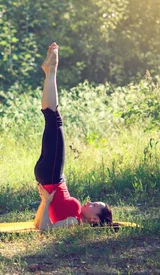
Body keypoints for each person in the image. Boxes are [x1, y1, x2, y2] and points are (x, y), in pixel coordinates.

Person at [33, 42, 113, 230]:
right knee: (52, 118)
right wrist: (45, 201)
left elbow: (43, 229)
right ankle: (50, 71)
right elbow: (37, 224)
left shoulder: (74, 222)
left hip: (52, 176)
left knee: (54, 119)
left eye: (95, 206)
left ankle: (51, 71)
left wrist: (46, 200)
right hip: (50, 175)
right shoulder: (75, 215)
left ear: (94, 220)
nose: (91, 202)